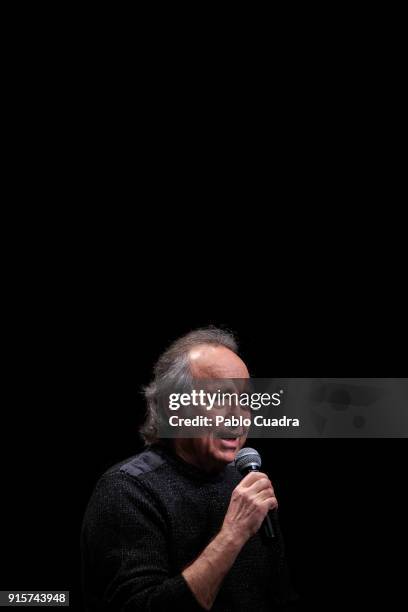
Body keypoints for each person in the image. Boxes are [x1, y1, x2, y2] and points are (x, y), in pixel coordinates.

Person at [81, 327, 296, 610]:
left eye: (245, 399)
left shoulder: (244, 482)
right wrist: (232, 534)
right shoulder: (127, 490)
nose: (238, 414)